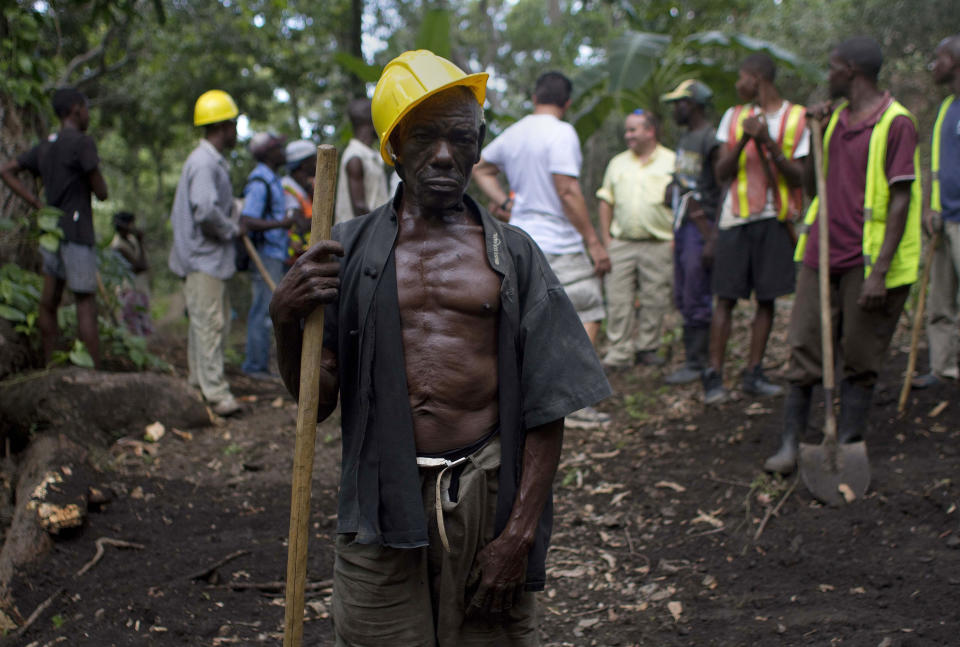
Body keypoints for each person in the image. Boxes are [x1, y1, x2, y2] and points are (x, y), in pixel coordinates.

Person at [270, 50, 612, 646]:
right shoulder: (344, 253)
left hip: (486, 501)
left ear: (480, 146)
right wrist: (284, 318)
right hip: (378, 503)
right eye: (425, 137)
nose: (446, 154)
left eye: (461, 136)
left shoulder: (515, 254)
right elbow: (316, 403)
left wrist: (519, 535)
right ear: (393, 146)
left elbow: (547, 403)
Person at [764, 37, 921, 474]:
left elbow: (900, 201)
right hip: (821, 252)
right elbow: (814, 185)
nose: (827, 76)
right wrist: (814, 133)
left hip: (867, 262)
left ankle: (848, 443)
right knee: (804, 347)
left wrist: (881, 273)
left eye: (832, 68)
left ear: (851, 70)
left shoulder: (897, 123)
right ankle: (791, 443)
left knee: (859, 354)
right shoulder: (831, 121)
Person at [473, 70, 612, 429]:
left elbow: (481, 166)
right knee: (589, 303)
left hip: (518, 238)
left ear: (535, 97)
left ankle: (519, 402)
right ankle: (572, 403)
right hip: (557, 241)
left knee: (526, 318)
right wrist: (593, 241)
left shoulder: (517, 132)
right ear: (567, 103)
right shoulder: (562, 132)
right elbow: (566, 190)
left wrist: (503, 203)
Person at [704, 54, 809, 404]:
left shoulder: (797, 118)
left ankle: (753, 372)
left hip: (775, 219)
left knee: (767, 298)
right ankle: (714, 376)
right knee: (726, 298)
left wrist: (767, 140)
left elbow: (799, 177)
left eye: (742, 77)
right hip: (736, 218)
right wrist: (748, 139)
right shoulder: (733, 118)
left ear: (758, 78)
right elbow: (722, 172)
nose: (738, 84)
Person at [0, 87, 108, 367]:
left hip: (52, 233)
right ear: (75, 109)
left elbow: (7, 170)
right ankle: (93, 372)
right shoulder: (82, 143)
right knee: (85, 300)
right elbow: (102, 192)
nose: (87, 114)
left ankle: (50, 365)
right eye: (86, 108)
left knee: (50, 301)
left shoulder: (46, 145)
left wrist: (37, 203)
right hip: (78, 232)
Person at [168, 89, 243, 417]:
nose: (237, 131)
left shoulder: (209, 161)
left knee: (210, 323)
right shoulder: (203, 163)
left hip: (208, 260)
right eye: (234, 124)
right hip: (203, 259)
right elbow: (204, 210)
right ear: (224, 126)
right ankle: (215, 393)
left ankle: (199, 384)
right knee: (210, 324)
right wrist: (232, 228)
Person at [596, 109, 676, 370]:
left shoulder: (671, 161)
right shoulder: (618, 162)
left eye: (633, 130)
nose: (627, 135)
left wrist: (675, 238)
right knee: (618, 298)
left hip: (660, 242)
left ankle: (647, 349)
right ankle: (619, 352)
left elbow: (682, 201)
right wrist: (606, 239)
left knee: (655, 297)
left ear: (650, 131)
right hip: (622, 243)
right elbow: (606, 200)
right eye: (627, 130)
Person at [660, 80, 722, 386]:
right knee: (684, 292)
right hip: (684, 226)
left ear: (693, 104)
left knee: (697, 292)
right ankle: (692, 357)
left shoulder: (711, 140)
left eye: (679, 103)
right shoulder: (687, 138)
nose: (675, 109)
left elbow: (723, 188)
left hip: (702, 226)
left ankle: (698, 362)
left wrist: (713, 237)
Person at [914, 34, 960, 390]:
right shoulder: (947, 107)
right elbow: (937, 165)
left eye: (939, 58)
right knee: (940, 299)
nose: (934, 65)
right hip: (945, 220)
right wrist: (931, 206)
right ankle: (943, 366)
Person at [239, 132, 295, 380]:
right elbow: (248, 220)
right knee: (263, 310)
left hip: (275, 253)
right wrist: (281, 224)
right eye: (278, 147)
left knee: (268, 309)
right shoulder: (260, 181)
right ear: (267, 153)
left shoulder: (271, 178)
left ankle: (260, 364)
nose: (283, 151)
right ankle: (254, 366)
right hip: (265, 254)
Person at [334, 98, 389, 224]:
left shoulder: (371, 155)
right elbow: (359, 207)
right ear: (371, 121)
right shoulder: (355, 157)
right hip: (361, 236)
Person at [109, 211, 152, 336]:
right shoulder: (117, 246)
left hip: (140, 288)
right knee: (132, 328)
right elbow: (139, 266)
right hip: (128, 290)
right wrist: (140, 241)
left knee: (142, 325)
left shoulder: (132, 240)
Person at [281, 139, 316, 264]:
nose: (317, 163)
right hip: (293, 259)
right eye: (314, 160)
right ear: (303, 164)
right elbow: (299, 224)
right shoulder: (287, 187)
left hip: (307, 253)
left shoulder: (306, 185)